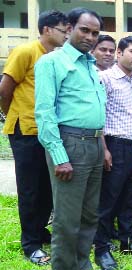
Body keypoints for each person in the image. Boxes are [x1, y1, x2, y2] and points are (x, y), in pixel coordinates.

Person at [34, 8, 105, 270]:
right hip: (71, 145)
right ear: (69, 29)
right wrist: (59, 157)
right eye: (84, 30)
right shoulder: (52, 62)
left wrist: (103, 147)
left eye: (95, 33)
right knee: (67, 219)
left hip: (95, 145)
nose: (90, 37)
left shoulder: (90, 65)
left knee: (89, 216)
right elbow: (44, 113)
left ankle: (81, 265)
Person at [0, 10, 68, 266]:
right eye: (64, 30)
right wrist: (14, 116)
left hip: (49, 132)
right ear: (47, 29)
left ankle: (40, 231)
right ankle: (30, 244)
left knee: (47, 186)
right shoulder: (26, 51)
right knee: (30, 189)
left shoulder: (57, 58)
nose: (67, 35)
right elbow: (4, 90)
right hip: (25, 131)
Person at [93, 36, 132, 270]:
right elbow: (97, 117)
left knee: (130, 199)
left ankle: (128, 242)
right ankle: (102, 249)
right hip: (113, 146)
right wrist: (104, 149)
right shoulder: (104, 79)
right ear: (119, 53)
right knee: (108, 201)